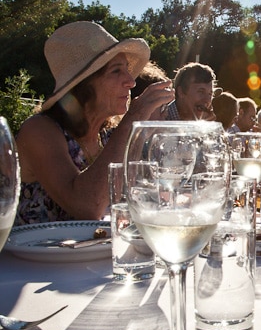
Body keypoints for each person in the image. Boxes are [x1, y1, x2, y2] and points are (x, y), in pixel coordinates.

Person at [15, 21, 174, 225]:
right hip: (28, 256)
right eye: (116, 71)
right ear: (84, 85)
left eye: (127, 69)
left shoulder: (107, 135)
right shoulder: (39, 130)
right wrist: (134, 117)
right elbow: (87, 206)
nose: (131, 81)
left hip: (93, 255)